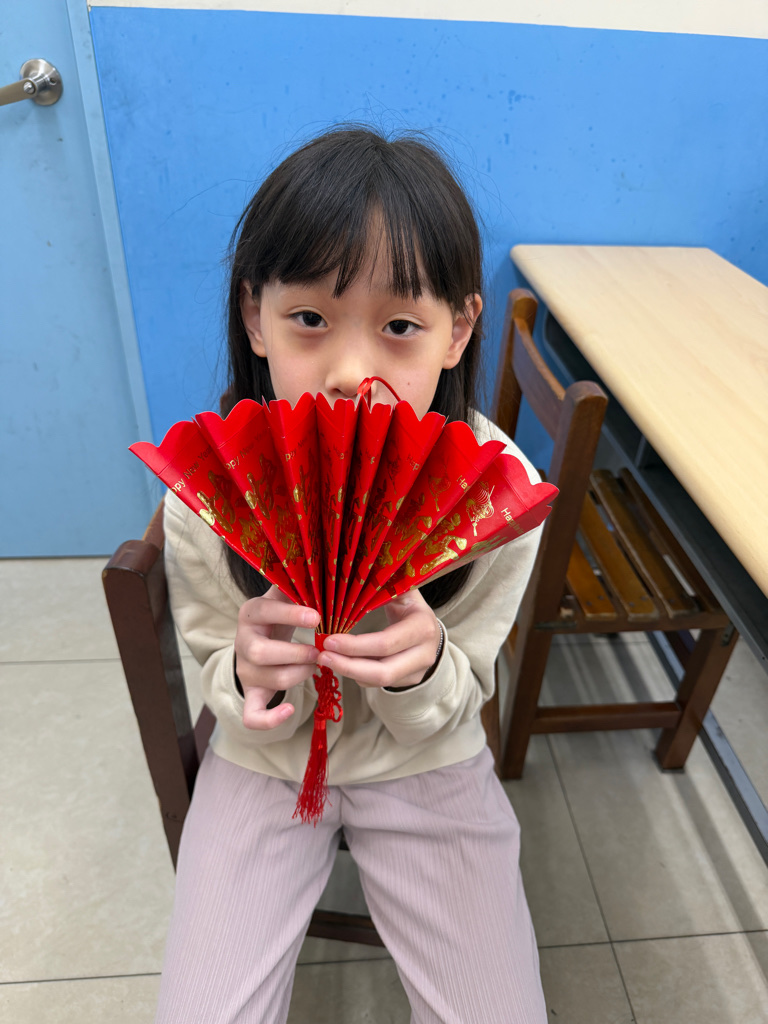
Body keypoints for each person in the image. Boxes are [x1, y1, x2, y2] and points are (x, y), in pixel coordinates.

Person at [156, 126, 548, 1024]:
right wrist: (249, 676)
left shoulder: (493, 496)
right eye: (310, 320)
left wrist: (424, 667)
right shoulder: (211, 491)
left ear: (458, 331)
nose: (350, 374)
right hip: (263, 764)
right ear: (255, 317)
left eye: (400, 327)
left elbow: (463, 696)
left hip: (425, 760)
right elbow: (217, 678)